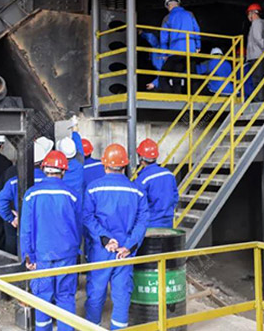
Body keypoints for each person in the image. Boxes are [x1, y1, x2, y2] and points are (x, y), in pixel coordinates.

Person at [84, 144, 150, 329]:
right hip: (124, 252)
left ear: (104, 164)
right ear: (125, 165)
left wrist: (105, 238)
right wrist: (129, 245)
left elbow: (87, 217)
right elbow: (142, 221)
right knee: (121, 296)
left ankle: (92, 327)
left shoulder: (93, 188)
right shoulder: (137, 190)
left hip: (101, 250)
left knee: (96, 293)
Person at [20, 150, 82, 331]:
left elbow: (26, 230)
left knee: (42, 298)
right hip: (67, 254)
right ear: (63, 171)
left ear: (44, 169)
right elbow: (79, 226)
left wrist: (28, 256)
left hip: (41, 255)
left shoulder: (31, 195)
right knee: (65, 297)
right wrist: (75, 249)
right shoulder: (73, 195)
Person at [0, 136, 53, 254]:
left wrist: (11, 218)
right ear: (43, 162)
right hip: (46, 226)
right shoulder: (51, 182)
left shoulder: (14, 181)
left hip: (22, 225)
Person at [159, 0, 201, 94]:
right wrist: (198, 46)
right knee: (192, 75)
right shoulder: (189, 14)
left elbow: (163, 39)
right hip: (190, 51)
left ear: (168, 5)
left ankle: (175, 97)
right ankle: (194, 98)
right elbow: (196, 30)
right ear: (178, 3)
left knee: (165, 77)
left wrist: (164, 54)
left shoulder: (167, 18)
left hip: (176, 52)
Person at [134, 139, 178, 228]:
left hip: (150, 224)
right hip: (168, 222)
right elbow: (175, 197)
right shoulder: (169, 174)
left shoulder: (142, 180)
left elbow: (138, 206)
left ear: (141, 158)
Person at [245, 3, 264, 102]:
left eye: (249, 14)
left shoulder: (256, 23)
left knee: (257, 79)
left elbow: (258, 38)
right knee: (260, 78)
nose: (248, 17)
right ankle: (260, 98)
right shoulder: (262, 23)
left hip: (257, 56)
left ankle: (259, 99)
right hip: (259, 55)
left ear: (253, 13)